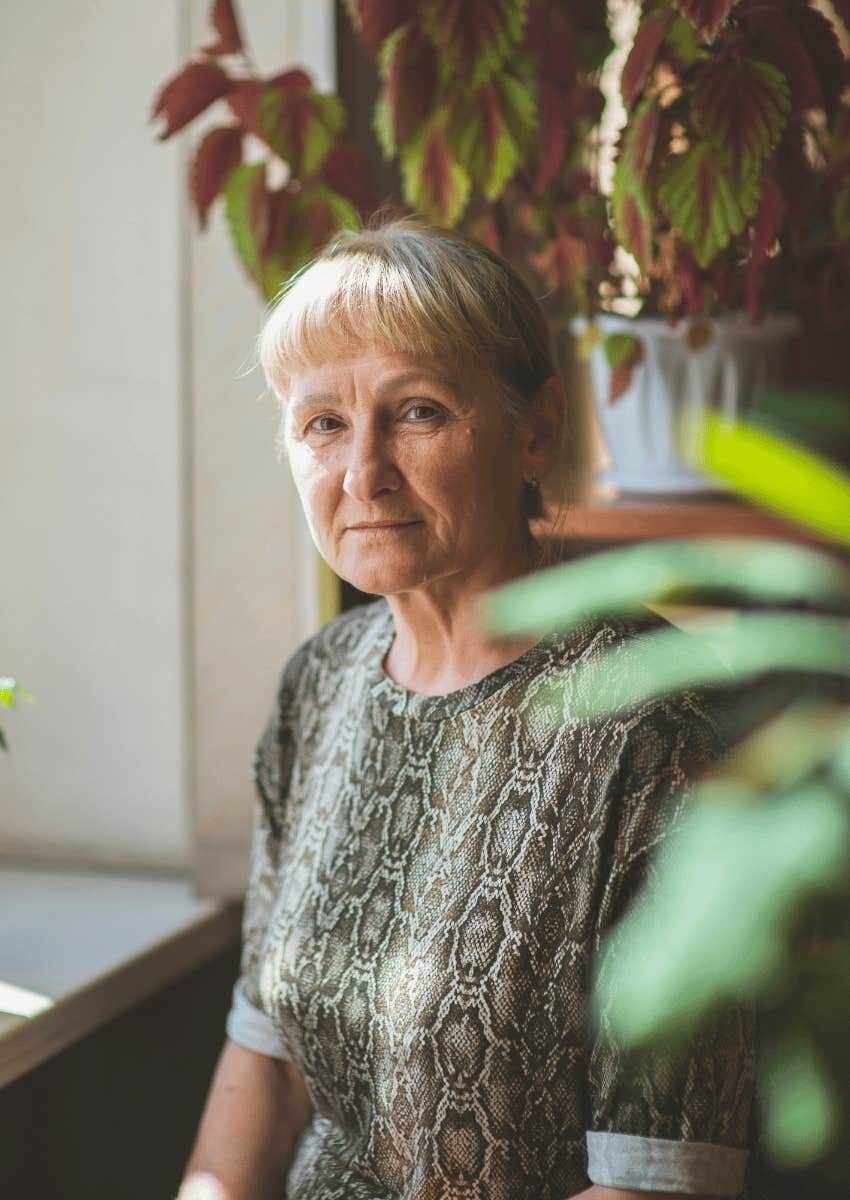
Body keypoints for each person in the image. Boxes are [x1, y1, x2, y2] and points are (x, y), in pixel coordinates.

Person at [178, 216, 755, 1200]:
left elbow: (657, 1179)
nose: (362, 473)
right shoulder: (317, 688)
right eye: (322, 423)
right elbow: (267, 1056)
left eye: (416, 412)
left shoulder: (655, 725)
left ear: (536, 429)